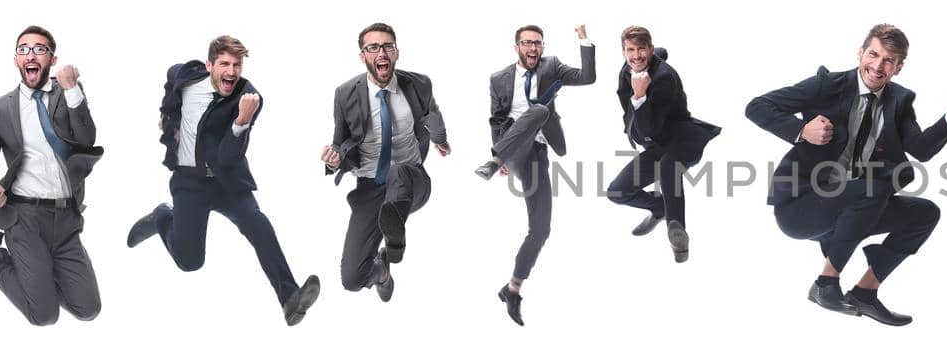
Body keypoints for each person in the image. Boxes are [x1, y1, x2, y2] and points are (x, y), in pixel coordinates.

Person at [745, 24, 947, 326]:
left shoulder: (900, 101)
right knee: (873, 189)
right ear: (861, 53)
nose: (878, 66)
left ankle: (865, 293)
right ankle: (826, 284)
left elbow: (920, 149)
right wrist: (801, 131)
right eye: (874, 54)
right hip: (801, 206)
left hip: (851, 209)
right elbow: (757, 106)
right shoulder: (826, 85)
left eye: (888, 60)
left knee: (925, 213)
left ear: (898, 67)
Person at [126, 35, 321, 326]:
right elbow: (170, 80)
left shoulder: (249, 98)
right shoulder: (186, 75)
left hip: (227, 181)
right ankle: (161, 216)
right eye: (225, 64)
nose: (231, 71)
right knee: (190, 262)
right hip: (190, 182)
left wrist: (241, 122)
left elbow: (229, 156)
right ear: (209, 65)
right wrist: (168, 118)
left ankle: (290, 298)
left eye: (237, 65)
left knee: (259, 225)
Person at [0, 25, 104, 326]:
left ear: (52, 59)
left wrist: (72, 90)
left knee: (88, 309)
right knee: (43, 315)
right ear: (16, 60)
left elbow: (87, 140)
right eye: (23, 49)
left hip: (66, 219)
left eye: (40, 49)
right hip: (23, 218)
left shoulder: (67, 94)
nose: (31, 54)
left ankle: (38, 275)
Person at [322, 22, 452, 303]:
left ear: (396, 53)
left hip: (411, 180)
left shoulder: (419, 84)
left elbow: (433, 115)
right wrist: (333, 160)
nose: (381, 52)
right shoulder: (345, 94)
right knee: (351, 279)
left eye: (387, 46)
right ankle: (382, 271)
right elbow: (340, 141)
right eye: (373, 47)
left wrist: (440, 139)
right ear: (363, 56)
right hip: (369, 186)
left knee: (398, 171)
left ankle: (394, 242)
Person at [481, 24, 596, 326]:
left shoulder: (552, 66)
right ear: (516, 45)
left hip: (539, 153)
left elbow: (588, 77)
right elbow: (496, 119)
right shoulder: (499, 79)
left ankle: (513, 288)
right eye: (527, 43)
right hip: (514, 149)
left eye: (538, 43)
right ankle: (493, 161)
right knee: (539, 111)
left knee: (541, 229)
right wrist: (500, 152)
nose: (533, 48)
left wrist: (584, 39)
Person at [606, 26, 721, 263]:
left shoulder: (665, 79)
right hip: (656, 145)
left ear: (649, 48)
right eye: (630, 50)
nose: (636, 55)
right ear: (623, 51)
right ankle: (659, 207)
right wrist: (660, 53)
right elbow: (659, 52)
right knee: (617, 192)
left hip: (682, 139)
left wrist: (639, 96)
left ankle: (676, 231)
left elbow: (650, 128)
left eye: (641, 49)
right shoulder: (628, 67)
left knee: (669, 166)